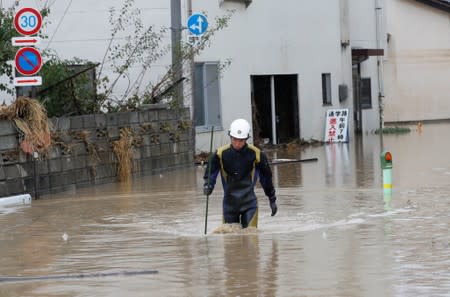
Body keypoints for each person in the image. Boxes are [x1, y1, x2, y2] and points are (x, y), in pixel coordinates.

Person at [203, 118, 277, 228]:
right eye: (234, 139)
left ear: (246, 138)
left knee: (251, 238)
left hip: (249, 204)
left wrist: (272, 199)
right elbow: (210, 174)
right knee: (230, 241)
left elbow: (266, 178)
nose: (237, 143)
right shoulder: (219, 154)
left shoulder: (257, 154)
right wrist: (208, 185)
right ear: (230, 136)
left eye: (241, 140)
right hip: (229, 206)